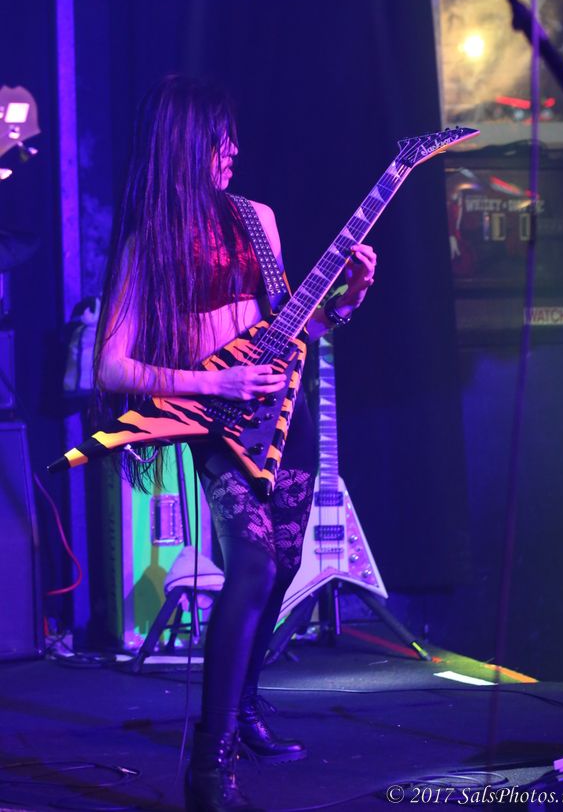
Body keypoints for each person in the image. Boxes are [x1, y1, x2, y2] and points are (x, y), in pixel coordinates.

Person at [94, 74, 377, 812]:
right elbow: (113, 364)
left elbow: (290, 331)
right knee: (250, 563)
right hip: (213, 418)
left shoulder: (259, 220)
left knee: (282, 565)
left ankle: (245, 705)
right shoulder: (150, 240)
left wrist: (346, 300)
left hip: (282, 414)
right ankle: (209, 763)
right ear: (186, 143)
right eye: (219, 138)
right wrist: (210, 382)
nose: (233, 150)